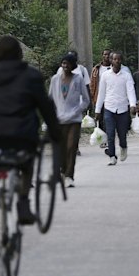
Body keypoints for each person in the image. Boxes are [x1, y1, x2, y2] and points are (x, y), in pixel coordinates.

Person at [0, 36, 61, 276]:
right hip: (19, 142)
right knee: (27, 161)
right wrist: (56, 136)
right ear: (19, 55)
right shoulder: (31, 76)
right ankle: (24, 202)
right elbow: (46, 110)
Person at [49, 54, 89, 188]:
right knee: (61, 148)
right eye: (63, 64)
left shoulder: (78, 79)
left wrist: (76, 111)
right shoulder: (55, 80)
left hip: (74, 120)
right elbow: (50, 100)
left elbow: (86, 100)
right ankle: (62, 170)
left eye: (68, 64)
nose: (65, 66)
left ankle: (69, 176)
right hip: (59, 120)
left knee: (71, 147)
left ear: (73, 66)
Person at [94, 51, 137, 165]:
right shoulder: (105, 75)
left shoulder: (126, 75)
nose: (117, 61)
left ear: (121, 61)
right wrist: (98, 110)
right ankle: (112, 156)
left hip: (122, 109)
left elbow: (130, 91)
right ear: (111, 61)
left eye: (119, 59)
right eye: (114, 59)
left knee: (122, 134)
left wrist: (132, 105)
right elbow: (101, 93)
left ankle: (123, 147)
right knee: (110, 134)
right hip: (109, 108)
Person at [64, 50, 92, 156]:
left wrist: (88, 101)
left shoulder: (82, 70)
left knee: (76, 127)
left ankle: (75, 147)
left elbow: (86, 86)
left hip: (77, 104)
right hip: (64, 104)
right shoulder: (61, 70)